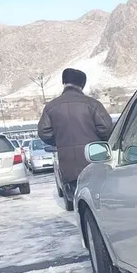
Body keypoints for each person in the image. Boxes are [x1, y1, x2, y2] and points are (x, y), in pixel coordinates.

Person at [37, 68, 113, 200]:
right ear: (82, 84)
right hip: (93, 160)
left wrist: (61, 141)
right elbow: (107, 129)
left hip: (67, 164)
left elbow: (44, 133)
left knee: (77, 202)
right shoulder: (92, 104)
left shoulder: (51, 107)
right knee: (98, 201)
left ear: (64, 83)